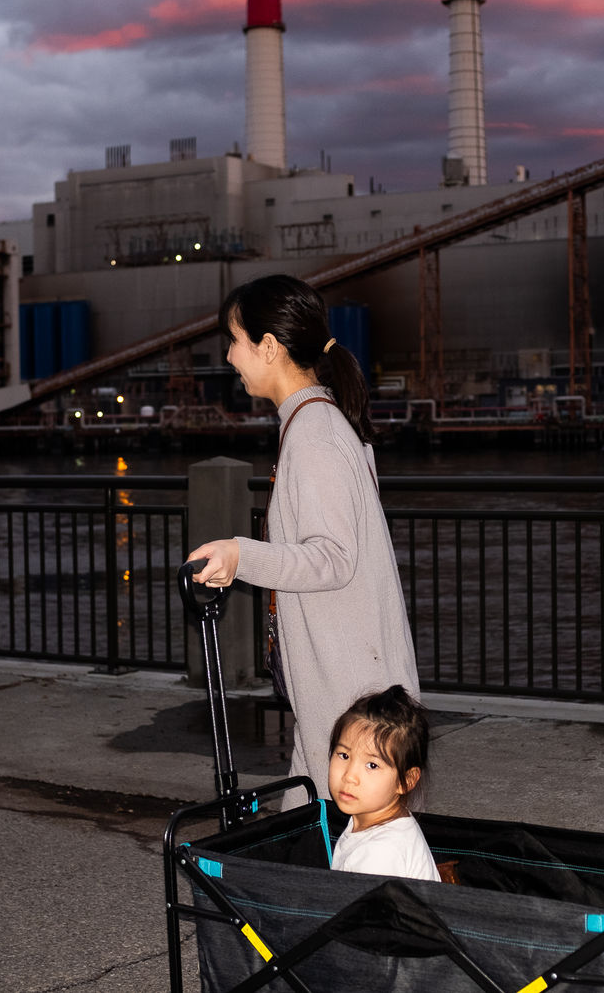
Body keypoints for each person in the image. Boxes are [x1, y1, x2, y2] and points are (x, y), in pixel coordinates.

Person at [186, 274, 422, 806]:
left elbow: (332, 558)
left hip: (348, 694)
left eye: (235, 340)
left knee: (338, 844)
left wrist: (240, 553)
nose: (229, 356)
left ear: (268, 347)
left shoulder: (315, 434)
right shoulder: (319, 423)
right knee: (317, 831)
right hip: (345, 688)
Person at [327, 685, 439, 881]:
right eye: (344, 755)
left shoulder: (380, 854)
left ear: (406, 781)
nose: (349, 776)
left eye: (372, 765)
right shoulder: (368, 818)